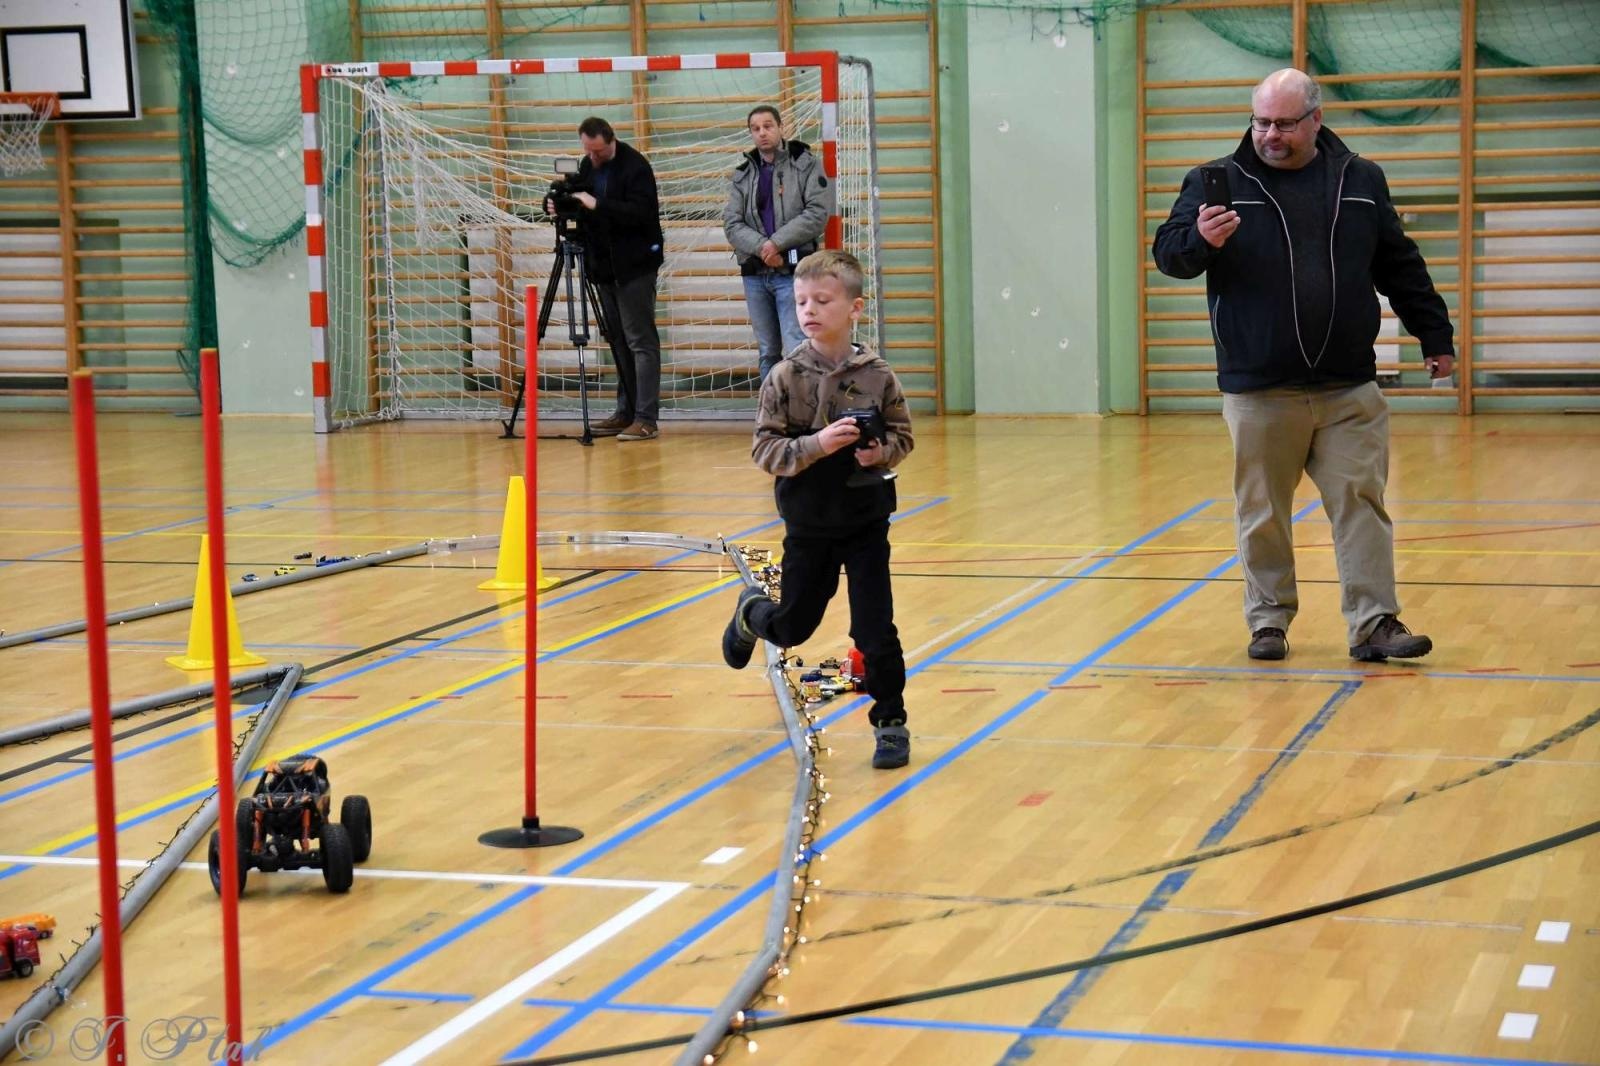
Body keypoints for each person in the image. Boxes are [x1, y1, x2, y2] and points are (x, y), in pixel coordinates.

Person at [1153, 69, 1454, 664]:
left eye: (1284, 124)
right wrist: (1201, 242)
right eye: (1261, 122)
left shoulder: (1360, 179)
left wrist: (1434, 333)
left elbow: (1399, 263)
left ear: (1316, 120)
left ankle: (1374, 624)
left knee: (1361, 503)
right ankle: (1268, 623)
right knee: (1262, 512)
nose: (1270, 134)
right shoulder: (1218, 182)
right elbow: (1169, 254)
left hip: (1349, 385)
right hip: (1260, 387)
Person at [720, 250, 915, 769]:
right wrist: (818, 445)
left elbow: (903, 436)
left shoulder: (878, 375)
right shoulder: (785, 377)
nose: (809, 309)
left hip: (866, 519)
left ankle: (891, 720)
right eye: (802, 300)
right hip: (809, 522)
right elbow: (765, 451)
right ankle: (749, 612)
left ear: (854, 308)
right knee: (792, 627)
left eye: (822, 300)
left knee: (876, 628)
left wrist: (881, 452)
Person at [553, 117, 664, 441]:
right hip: (603, 267)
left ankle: (646, 418)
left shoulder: (636, 167)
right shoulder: (587, 167)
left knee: (640, 341)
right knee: (616, 340)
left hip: (634, 266)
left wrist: (597, 204)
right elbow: (579, 206)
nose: (594, 157)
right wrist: (559, 205)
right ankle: (624, 411)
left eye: (598, 151)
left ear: (611, 140)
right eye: (588, 151)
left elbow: (641, 214)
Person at [723, 105, 835, 384]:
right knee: (767, 351)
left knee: (798, 344)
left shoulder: (805, 163)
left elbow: (816, 214)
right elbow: (732, 224)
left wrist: (776, 243)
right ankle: (771, 414)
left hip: (793, 272)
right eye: (756, 128)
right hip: (756, 274)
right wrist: (763, 248)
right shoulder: (743, 175)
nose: (762, 133)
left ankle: (803, 412)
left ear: (781, 127)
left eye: (768, 125)